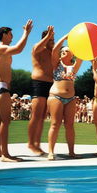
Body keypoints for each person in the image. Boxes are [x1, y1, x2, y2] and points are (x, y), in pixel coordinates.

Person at [0, 20, 33, 162]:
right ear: (4, 35)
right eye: (11, 34)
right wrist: (26, 33)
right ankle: (5, 155)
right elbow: (19, 49)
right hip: (1, 86)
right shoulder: (1, 48)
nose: (12, 36)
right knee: (6, 121)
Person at [47, 34, 82, 160]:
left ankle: (71, 152)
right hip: (56, 96)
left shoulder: (74, 67)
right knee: (55, 124)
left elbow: (82, 55)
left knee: (70, 125)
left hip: (71, 98)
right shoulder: (56, 64)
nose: (63, 52)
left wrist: (78, 43)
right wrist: (64, 38)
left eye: (66, 51)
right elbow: (55, 50)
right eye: (62, 51)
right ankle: (51, 152)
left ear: (72, 54)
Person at [28, 26, 54, 155]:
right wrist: (47, 37)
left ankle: (37, 143)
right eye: (50, 40)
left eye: (53, 39)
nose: (52, 42)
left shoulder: (52, 52)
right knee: (36, 115)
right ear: (45, 39)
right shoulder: (38, 49)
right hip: (39, 83)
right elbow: (36, 48)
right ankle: (31, 144)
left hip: (50, 86)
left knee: (43, 116)